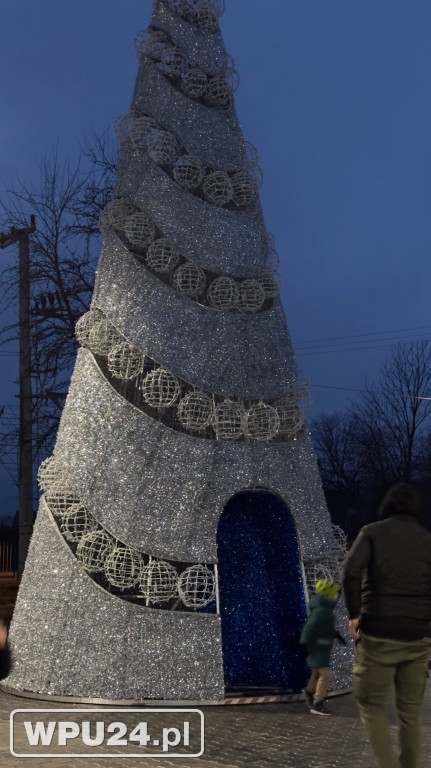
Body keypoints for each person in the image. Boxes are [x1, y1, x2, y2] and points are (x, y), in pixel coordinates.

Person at [343, 483, 431, 768]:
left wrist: (355, 613)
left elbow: (350, 570)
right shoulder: (427, 539)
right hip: (418, 636)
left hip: (380, 631)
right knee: (410, 714)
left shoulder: (372, 532)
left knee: (370, 703)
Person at [300, 579, 345, 716]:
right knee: (324, 674)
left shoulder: (324, 607)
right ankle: (318, 703)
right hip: (318, 647)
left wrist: (335, 634)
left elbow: (322, 626)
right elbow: (310, 627)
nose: (337, 596)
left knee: (317, 672)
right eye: (335, 593)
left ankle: (309, 691)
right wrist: (305, 643)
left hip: (321, 646)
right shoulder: (322, 609)